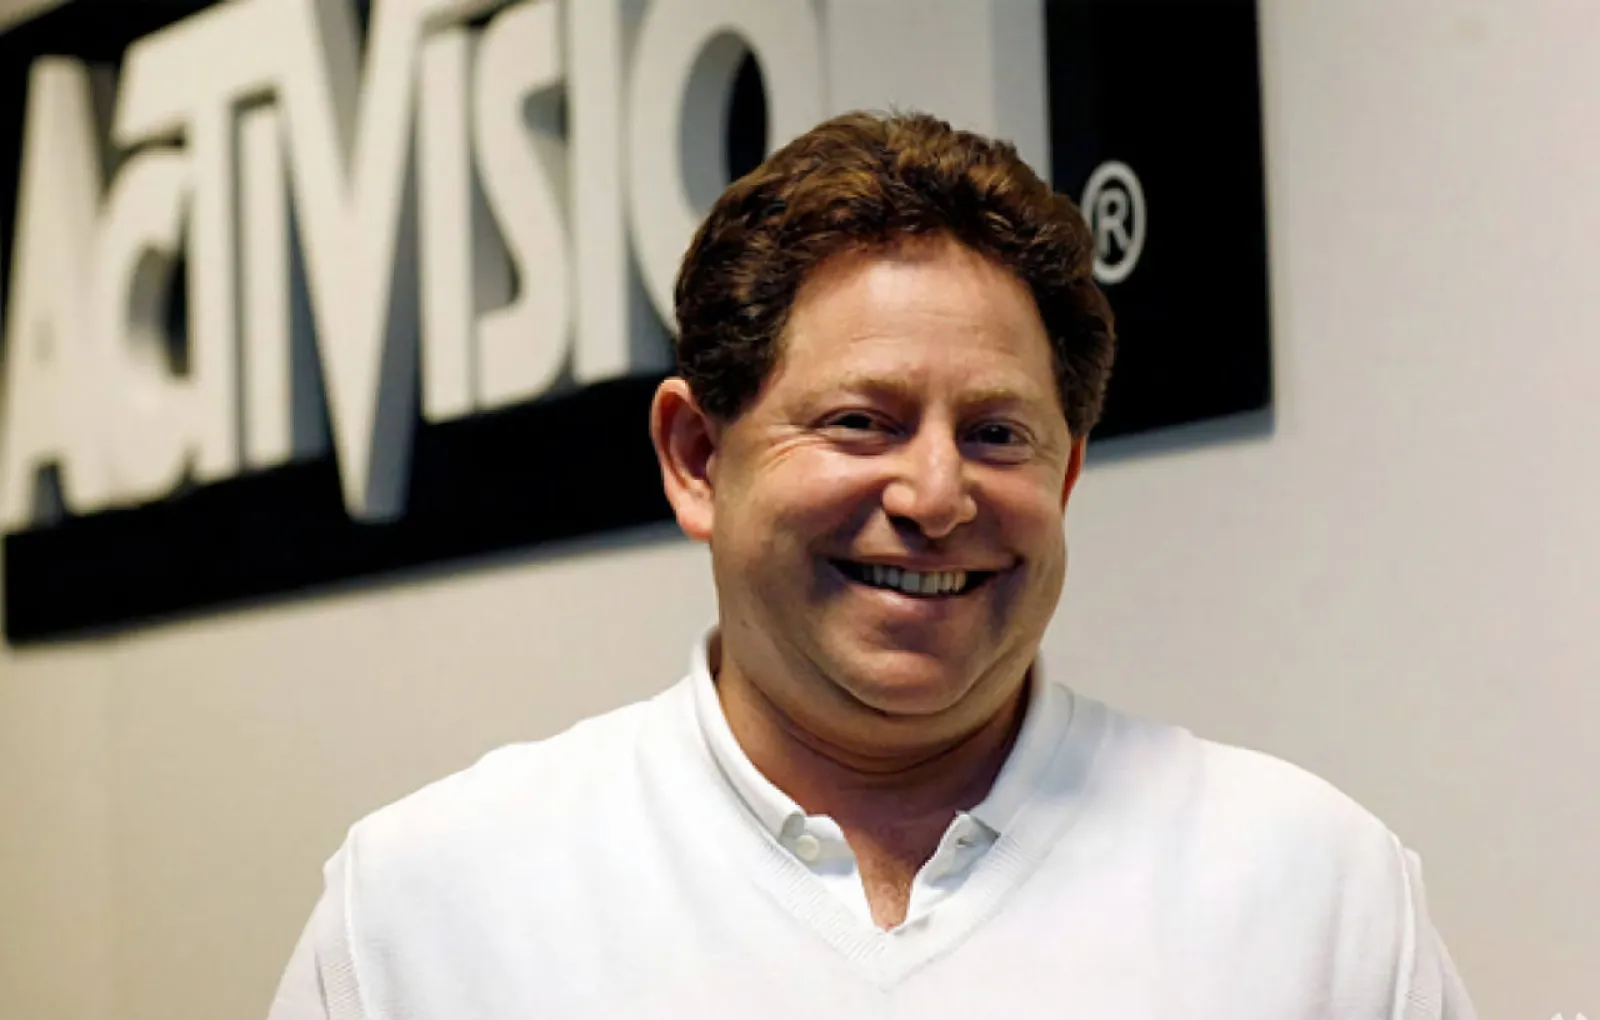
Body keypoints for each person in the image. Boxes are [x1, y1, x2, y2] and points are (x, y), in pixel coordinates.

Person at [266, 111, 1475, 1019]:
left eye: (996, 434)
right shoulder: (432, 909)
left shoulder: (1311, 889)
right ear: (696, 458)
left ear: (1063, 478)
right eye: (860, 423)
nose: (936, 496)